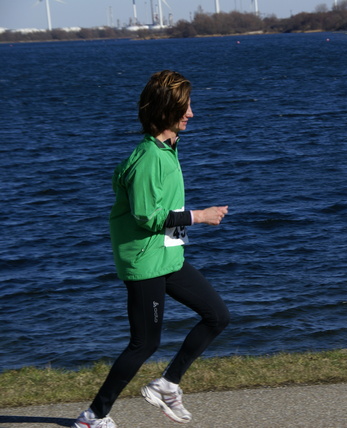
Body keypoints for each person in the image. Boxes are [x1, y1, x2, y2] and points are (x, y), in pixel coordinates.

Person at [73, 70, 230, 428]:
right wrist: (200, 216)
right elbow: (147, 217)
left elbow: (162, 209)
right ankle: (92, 417)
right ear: (165, 110)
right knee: (144, 344)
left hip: (167, 256)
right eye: (184, 107)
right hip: (145, 261)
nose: (191, 113)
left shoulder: (167, 149)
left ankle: (167, 383)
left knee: (218, 316)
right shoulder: (149, 158)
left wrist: (179, 243)